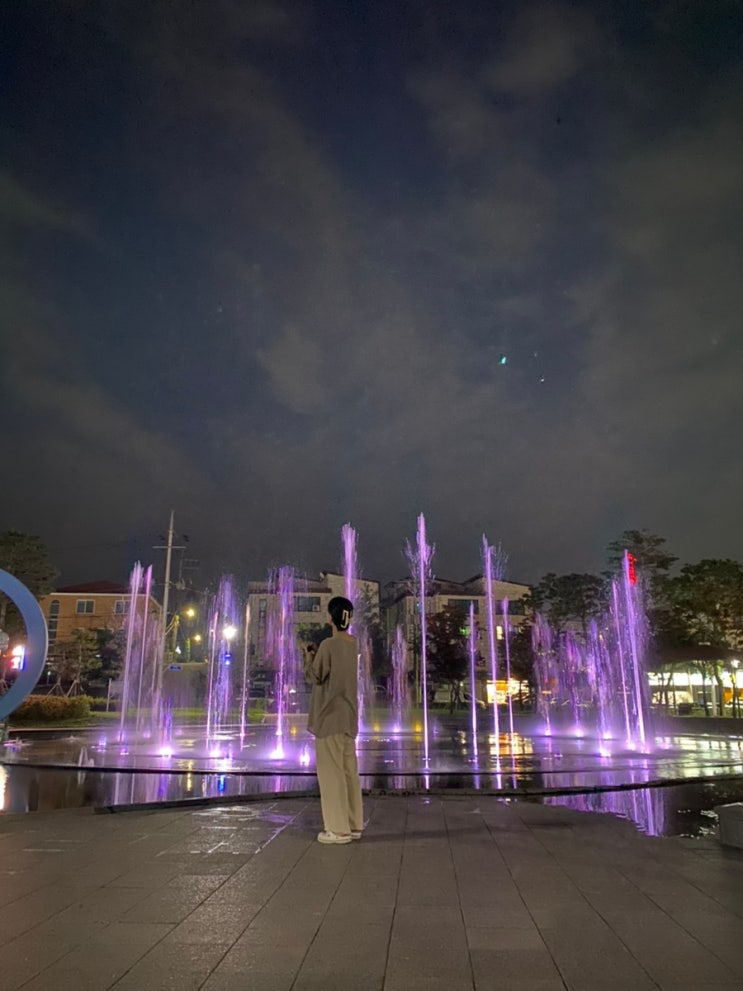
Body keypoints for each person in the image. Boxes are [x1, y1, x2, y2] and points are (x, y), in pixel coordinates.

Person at [303, 596, 364, 844]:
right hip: (349, 718)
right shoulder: (353, 644)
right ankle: (353, 824)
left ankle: (338, 830)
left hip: (329, 718)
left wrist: (308, 656)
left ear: (331, 617)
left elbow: (315, 677)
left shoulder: (328, 645)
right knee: (350, 773)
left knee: (331, 775)